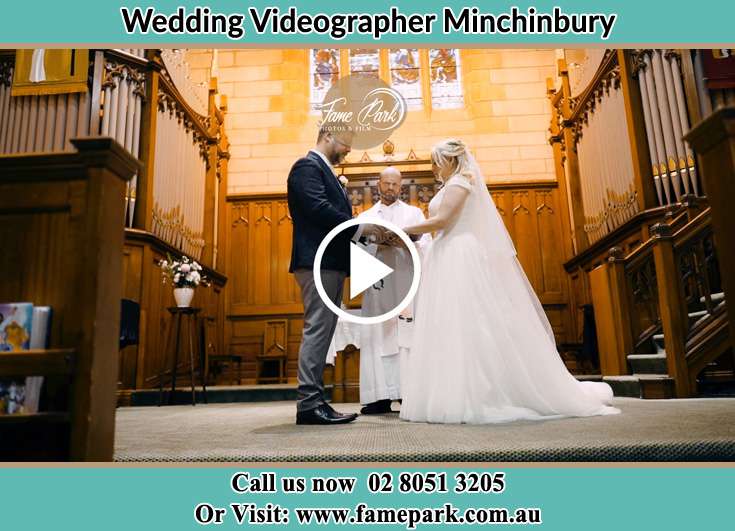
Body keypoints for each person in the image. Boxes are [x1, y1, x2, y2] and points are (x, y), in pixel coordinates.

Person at [398, 139, 620, 424]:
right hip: (445, 254)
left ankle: (476, 393)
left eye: (436, 161)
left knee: (469, 324)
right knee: (449, 324)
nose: (434, 168)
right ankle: (449, 391)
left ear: (451, 160)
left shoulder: (460, 184)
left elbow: (442, 221)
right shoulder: (453, 183)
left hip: (459, 254)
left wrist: (403, 229)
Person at [287, 124, 382, 425]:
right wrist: (362, 226)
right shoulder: (306, 166)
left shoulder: (324, 170)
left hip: (330, 261)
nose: (348, 150)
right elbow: (318, 209)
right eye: (346, 143)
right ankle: (309, 404)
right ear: (328, 136)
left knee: (324, 331)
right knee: (318, 329)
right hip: (318, 259)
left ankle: (316, 401)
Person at [356, 167, 431, 414]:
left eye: (395, 185)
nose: (390, 188)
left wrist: (407, 242)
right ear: (378, 184)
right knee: (378, 338)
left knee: (407, 338)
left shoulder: (414, 214)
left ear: (401, 186)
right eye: (386, 183)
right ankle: (380, 396)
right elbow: (355, 254)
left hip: (406, 282)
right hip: (379, 287)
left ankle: (410, 393)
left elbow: (427, 248)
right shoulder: (365, 216)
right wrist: (377, 243)